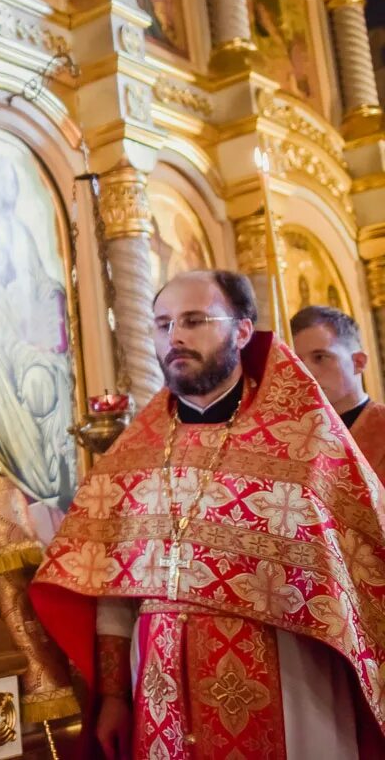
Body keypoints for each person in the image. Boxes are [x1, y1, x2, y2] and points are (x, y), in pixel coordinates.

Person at [30, 270, 385, 758]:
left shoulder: (306, 441)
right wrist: (113, 695)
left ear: (241, 331)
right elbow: (110, 585)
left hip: (289, 682)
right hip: (159, 685)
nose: (174, 336)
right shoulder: (133, 454)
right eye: (162, 324)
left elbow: (359, 580)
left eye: (194, 320)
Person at [291, 304, 385, 475]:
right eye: (296, 362)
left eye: (320, 357)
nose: (305, 373)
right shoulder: (289, 437)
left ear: (358, 362)